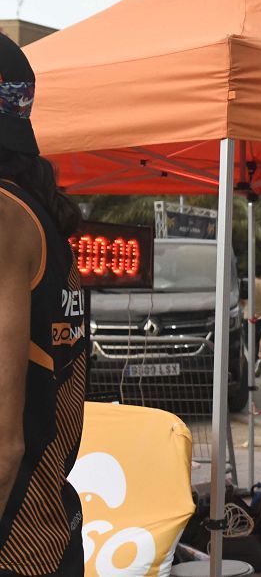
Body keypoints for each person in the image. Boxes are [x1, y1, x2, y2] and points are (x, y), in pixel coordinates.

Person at [0, 33, 87, 576]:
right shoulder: (37, 214)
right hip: (45, 534)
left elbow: (5, 444)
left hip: (17, 542)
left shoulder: (6, 216)